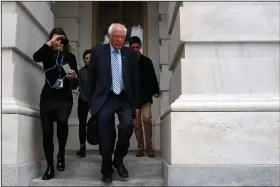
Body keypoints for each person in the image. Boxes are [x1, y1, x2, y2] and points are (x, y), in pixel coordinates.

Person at [86, 23, 140, 183]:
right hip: (105, 98)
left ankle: (118, 158)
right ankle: (106, 169)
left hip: (124, 98)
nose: (119, 40)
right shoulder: (98, 51)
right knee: (105, 134)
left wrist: (136, 104)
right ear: (109, 37)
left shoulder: (129, 53)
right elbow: (91, 78)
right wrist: (91, 101)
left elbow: (135, 80)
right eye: (116, 36)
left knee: (127, 127)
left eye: (122, 37)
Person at [33, 28, 79, 180]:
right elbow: (35, 57)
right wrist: (49, 44)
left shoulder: (70, 57)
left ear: (64, 41)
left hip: (64, 98)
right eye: (55, 40)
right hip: (48, 97)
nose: (57, 42)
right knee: (47, 132)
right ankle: (50, 166)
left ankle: (61, 153)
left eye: (60, 40)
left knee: (62, 121)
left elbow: (75, 85)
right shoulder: (46, 55)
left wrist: (73, 78)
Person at [129, 36, 160, 157]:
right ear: (130, 48)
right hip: (133, 99)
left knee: (147, 119)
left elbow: (153, 76)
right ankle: (140, 147)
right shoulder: (127, 62)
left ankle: (149, 146)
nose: (135, 49)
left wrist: (156, 90)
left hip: (146, 97)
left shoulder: (147, 61)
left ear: (140, 47)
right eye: (133, 47)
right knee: (136, 124)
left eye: (137, 47)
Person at [76, 49, 91, 157]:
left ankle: (102, 146)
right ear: (84, 60)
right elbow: (79, 87)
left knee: (101, 123)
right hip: (83, 100)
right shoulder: (80, 72)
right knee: (82, 124)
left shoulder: (100, 71)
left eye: (91, 57)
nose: (89, 60)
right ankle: (82, 147)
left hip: (97, 101)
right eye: (86, 58)